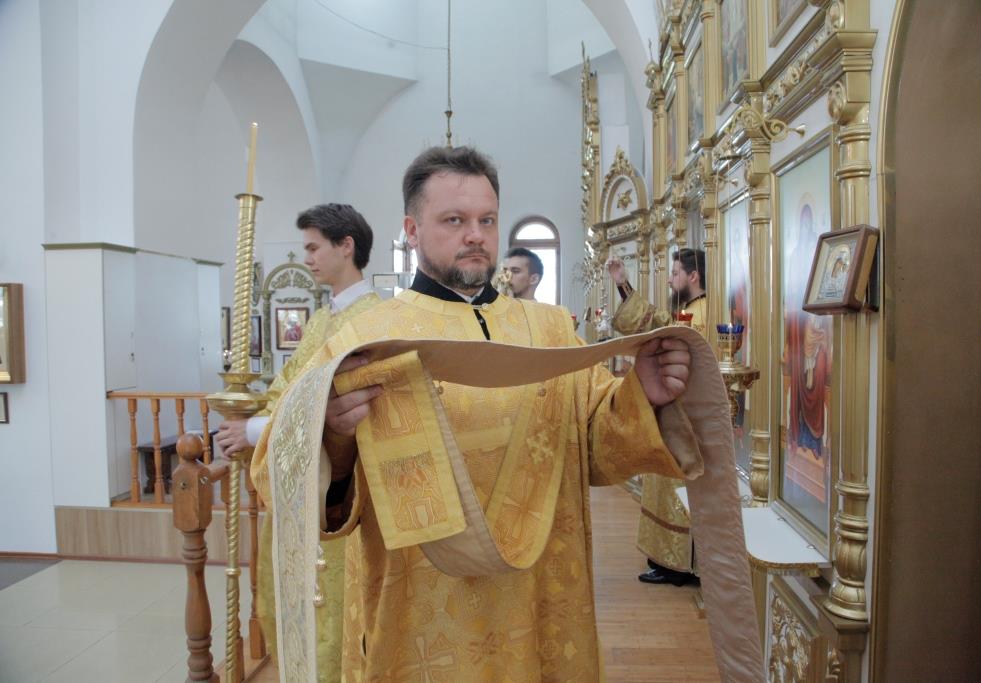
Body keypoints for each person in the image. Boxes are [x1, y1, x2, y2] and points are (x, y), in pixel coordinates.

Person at [251, 147, 758, 682]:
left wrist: (641, 395)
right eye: (454, 220)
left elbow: (594, 446)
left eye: (487, 220)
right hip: (420, 615)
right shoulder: (367, 337)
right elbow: (283, 477)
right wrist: (334, 435)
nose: (476, 235)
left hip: (544, 600)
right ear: (412, 230)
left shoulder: (550, 328)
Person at [214, 202, 378, 681]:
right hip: (299, 492)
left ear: (346, 246)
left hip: (341, 498)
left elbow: (326, 407)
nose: (306, 258)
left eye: (313, 247)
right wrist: (251, 420)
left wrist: (251, 432)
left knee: (336, 616)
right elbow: (288, 390)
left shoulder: (369, 321)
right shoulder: (324, 318)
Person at [607, 248, 707, 587]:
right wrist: (623, 286)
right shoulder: (688, 310)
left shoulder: (701, 313)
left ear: (693, 276)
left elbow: (662, 329)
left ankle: (677, 565)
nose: (669, 279)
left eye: (675, 273)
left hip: (689, 420)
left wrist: (625, 286)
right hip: (675, 412)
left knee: (675, 485)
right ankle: (667, 560)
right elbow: (659, 324)